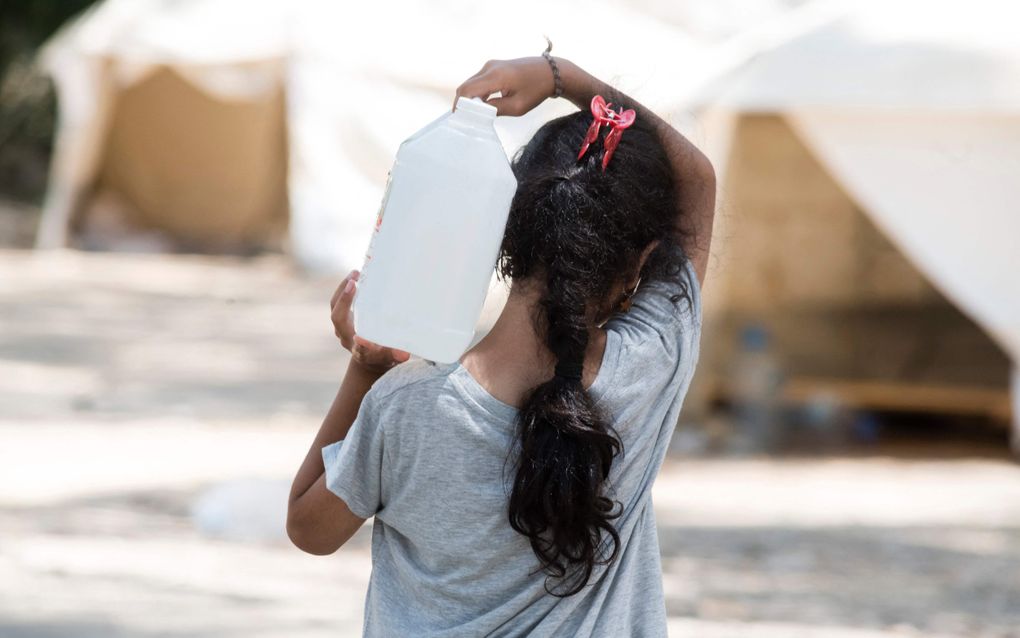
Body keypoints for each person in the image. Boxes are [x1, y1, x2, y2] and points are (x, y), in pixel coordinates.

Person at [287, 53, 716, 637]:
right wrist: (567, 79)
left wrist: (365, 370)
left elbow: (309, 530)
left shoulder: (407, 406)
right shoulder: (651, 366)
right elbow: (697, 180)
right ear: (640, 262)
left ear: (507, 221)